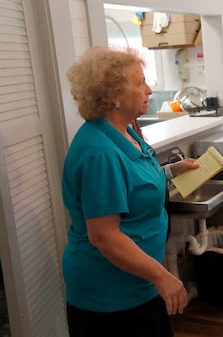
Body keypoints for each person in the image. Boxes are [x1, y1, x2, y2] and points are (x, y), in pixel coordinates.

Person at [61, 46, 198, 337]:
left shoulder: (125, 132)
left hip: (140, 282)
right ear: (113, 96)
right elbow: (104, 236)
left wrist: (173, 171)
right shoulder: (99, 152)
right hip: (110, 295)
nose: (149, 89)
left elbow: (131, 186)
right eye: (139, 83)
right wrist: (163, 276)